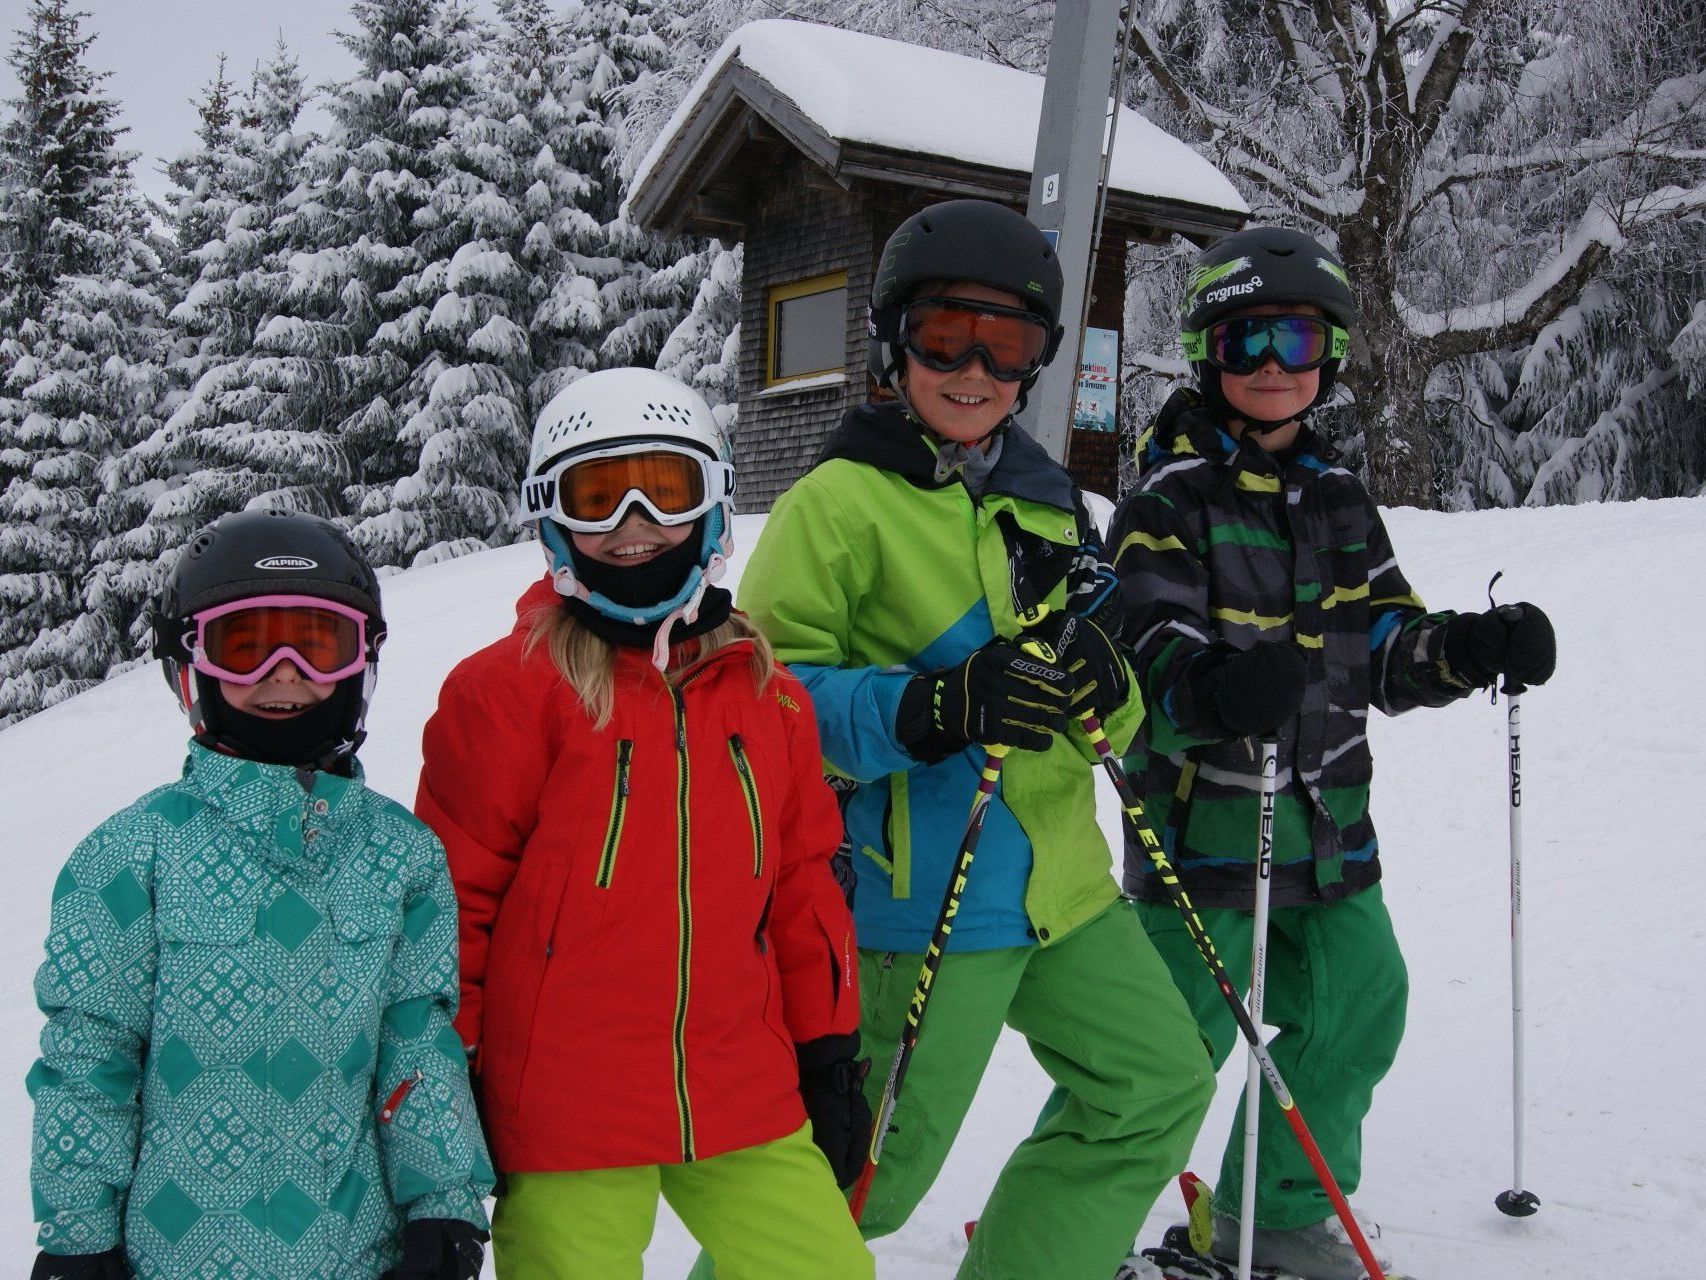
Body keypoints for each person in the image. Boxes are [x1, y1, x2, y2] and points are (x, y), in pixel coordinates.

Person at [736, 199, 1214, 1280]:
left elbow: (1114, 697)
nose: (973, 366)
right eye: (946, 329)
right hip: (919, 896)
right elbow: (757, 701)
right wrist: (929, 708)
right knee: (864, 1174)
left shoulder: (1049, 504)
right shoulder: (838, 504)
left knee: (1155, 1084)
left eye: (1007, 343)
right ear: (893, 340)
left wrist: (1111, 676)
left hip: (1065, 887)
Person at [1104, 226, 1558, 1279]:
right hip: (1201, 836)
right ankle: (1069, 1212)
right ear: (1206, 353)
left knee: (1358, 1003)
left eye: (1296, 339)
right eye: (1246, 338)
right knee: (1161, 1051)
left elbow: (1383, 647)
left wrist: (1468, 647)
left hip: (1329, 830)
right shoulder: (1167, 498)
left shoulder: (1340, 499)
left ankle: (1278, 1214)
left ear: (1330, 357)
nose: (1271, 363)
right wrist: (1209, 686)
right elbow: (1145, 649)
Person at [414, 367, 875, 1280]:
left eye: (664, 491)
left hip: (737, 1081)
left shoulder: (767, 697)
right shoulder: (505, 695)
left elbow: (801, 890)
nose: (632, 524)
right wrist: (447, 1074)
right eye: (598, 496)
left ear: (712, 506)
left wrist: (827, 1052)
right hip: (561, 1103)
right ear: (553, 516)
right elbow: (449, 906)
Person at [26, 509, 494, 1280]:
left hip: (357, 1255)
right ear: (190, 664)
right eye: (243, 647)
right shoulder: (127, 857)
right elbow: (89, 1062)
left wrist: (443, 1202)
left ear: (362, 660)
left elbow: (418, 1044)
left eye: (317, 644)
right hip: (176, 1258)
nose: (283, 672)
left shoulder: (402, 855)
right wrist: (79, 1238)